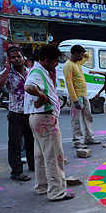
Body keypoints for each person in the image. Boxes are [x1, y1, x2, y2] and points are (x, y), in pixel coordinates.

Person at [24, 45, 75, 201]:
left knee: (40, 155)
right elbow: (29, 86)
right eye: (55, 62)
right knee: (54, 156)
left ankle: (42, 186)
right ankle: (57, 192)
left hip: (37, 118)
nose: (56, 65)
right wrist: (43, 96)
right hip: (45, 118)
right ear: (46, 60)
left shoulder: (40, 70)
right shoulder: (37, 72)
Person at [0, 46, 34, 181]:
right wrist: (7, 69)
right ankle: (16, 172)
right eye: (13, 57)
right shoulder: (8, 74)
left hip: (30, 112)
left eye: (19, 57)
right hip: (16, 113)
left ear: (24, 58)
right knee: (15, 144)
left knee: (32, 141)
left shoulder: (30, 72)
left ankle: (33, 165)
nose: (17, 59)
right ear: (9, 60)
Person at [63, 45, 100, 149]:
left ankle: (89, 137)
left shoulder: (78, 62)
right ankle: (77, 140)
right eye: (80, 54)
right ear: (75, 54)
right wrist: (75, 101)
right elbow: (69, 84)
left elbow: (87, 56)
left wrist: (83, 53)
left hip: (84, 95)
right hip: (77, 97)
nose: (82, 57)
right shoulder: (68, 66)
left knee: (88, 117)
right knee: (76, 120)